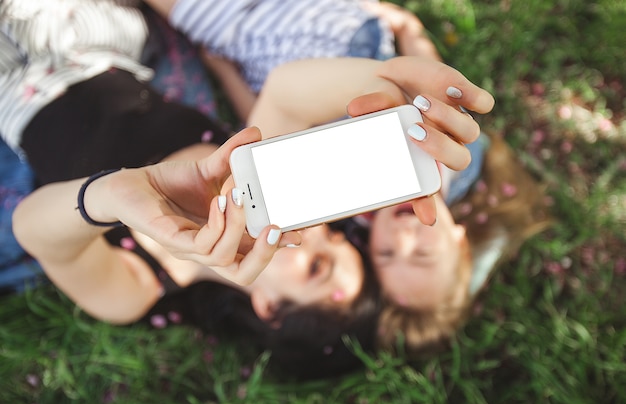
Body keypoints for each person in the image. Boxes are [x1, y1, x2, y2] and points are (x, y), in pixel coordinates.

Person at [2, 0, 496, 379]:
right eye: (338, 237)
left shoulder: (136, 290)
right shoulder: (259, 181)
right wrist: (392, 84)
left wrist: (112, 196)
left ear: (268, 308)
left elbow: (32, 230)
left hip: (13, 99)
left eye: (315, 266)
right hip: (98, 46)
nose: (317, 232)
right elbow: (286, 92)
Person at [246, 56, 550, 357]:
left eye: (385, 254)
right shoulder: (458, 158)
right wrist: (409, 37)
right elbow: (431, 78)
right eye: (423, 254)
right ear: (461, 242)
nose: (402, 237)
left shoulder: (349, 209)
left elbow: (269, 122)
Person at [143, 0, 441, 122]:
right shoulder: (435, 105)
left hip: (240, 29)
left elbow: (263, 117)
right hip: (329, 20)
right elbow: (406, 25)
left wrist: (224, 71)